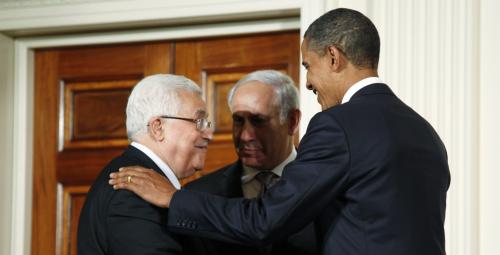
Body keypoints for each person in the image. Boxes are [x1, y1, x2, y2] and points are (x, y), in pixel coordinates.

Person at [109, 8, 451, 255]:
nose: (309, 81)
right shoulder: (424, 133)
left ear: (333, 57)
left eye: (308, 66)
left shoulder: (338, 125)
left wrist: (175, 198)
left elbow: (264, 221)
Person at [182, 70, 317, 255]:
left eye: (258, 121)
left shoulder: (324, 186)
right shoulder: (199, 194)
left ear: (292, 121)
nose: (245, 135)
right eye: (238, 121)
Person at [77, 74, 213, 255]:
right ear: (158, 127)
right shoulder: (133, 190)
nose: (208, 134)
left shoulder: (137, 178)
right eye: (199, 121)